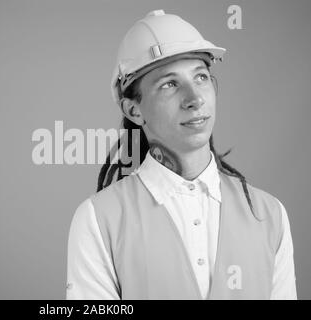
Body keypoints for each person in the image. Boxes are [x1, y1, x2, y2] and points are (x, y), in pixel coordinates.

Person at [66, 10, 297, 299]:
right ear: (133, 110)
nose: (194, 98)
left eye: (201, 77)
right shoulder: (99, 220)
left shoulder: (268, 214)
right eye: (170, 84)